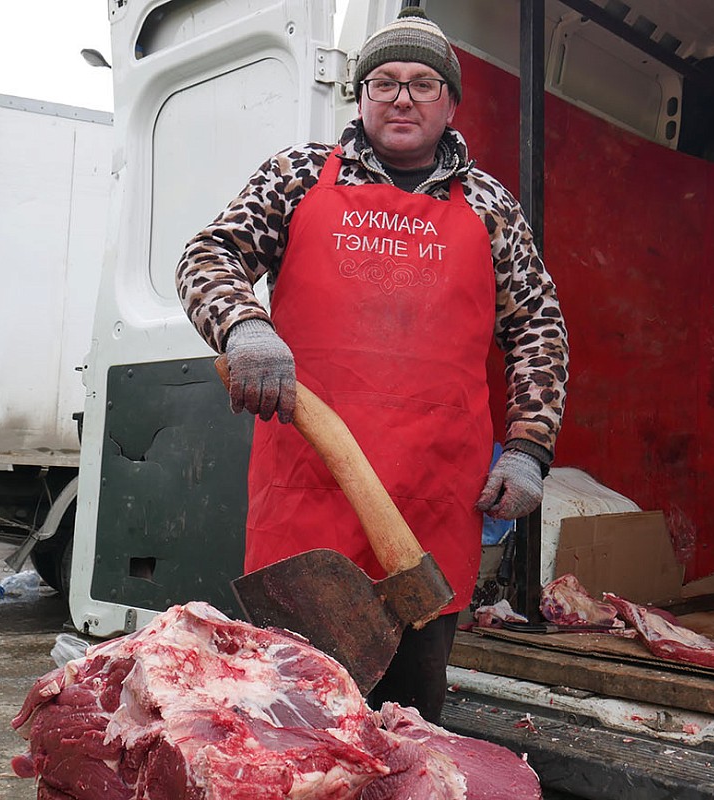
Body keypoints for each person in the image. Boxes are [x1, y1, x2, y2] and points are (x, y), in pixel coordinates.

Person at [176, 7, 568, 724]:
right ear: (360, 97)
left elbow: (537, 326)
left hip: (428, 502)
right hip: (306, 495)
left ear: (450, 102)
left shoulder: (489, 206)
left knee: (409, 721)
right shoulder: (297, 175)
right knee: (290, 716)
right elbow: (210, 256)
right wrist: (244, 326)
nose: (402, 97)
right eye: (384, 81)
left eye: (423, 83)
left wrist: (528, 448)